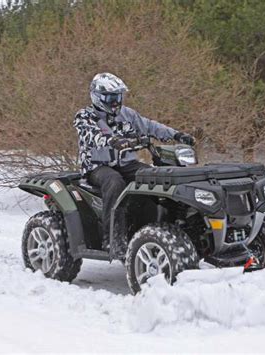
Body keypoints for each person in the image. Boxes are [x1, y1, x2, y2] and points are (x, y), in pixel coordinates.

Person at [73, 72, 195, 255]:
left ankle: (161, 229)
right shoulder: (85, 116)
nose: (115, 101)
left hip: (126, 164)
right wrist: (113, 141)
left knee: (155, 178)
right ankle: (113, 239)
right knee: (115, 183)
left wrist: (176, 135)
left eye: (118, 96)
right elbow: (91, 135)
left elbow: (150, 126)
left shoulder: (127, 114)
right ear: (97, 97)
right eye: (110, 97)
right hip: (97, 166)